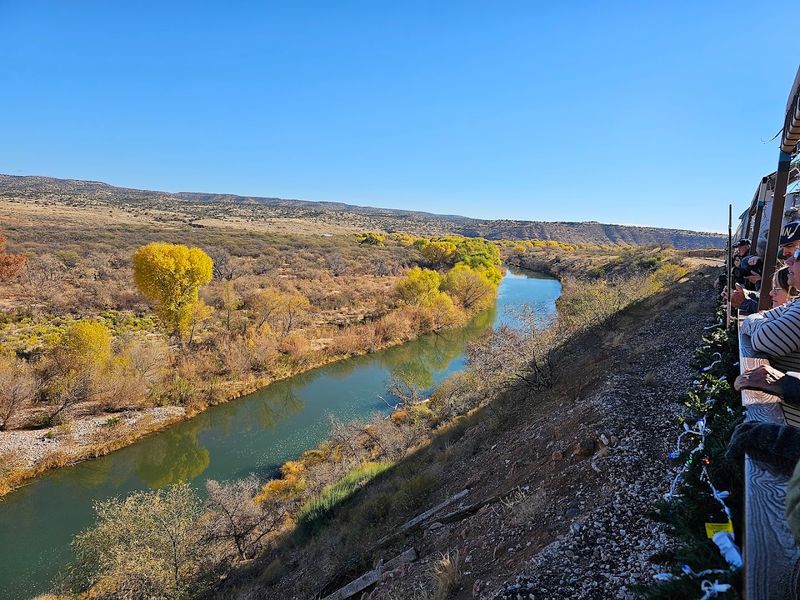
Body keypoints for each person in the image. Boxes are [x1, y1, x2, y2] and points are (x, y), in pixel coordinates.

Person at [740, 248, 800, 372]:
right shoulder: (795, 303)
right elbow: (753, 318)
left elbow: (762, 339)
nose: (788, 261)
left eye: (797, 253)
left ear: (790, 292)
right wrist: (766, 325)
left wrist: (763, 326)